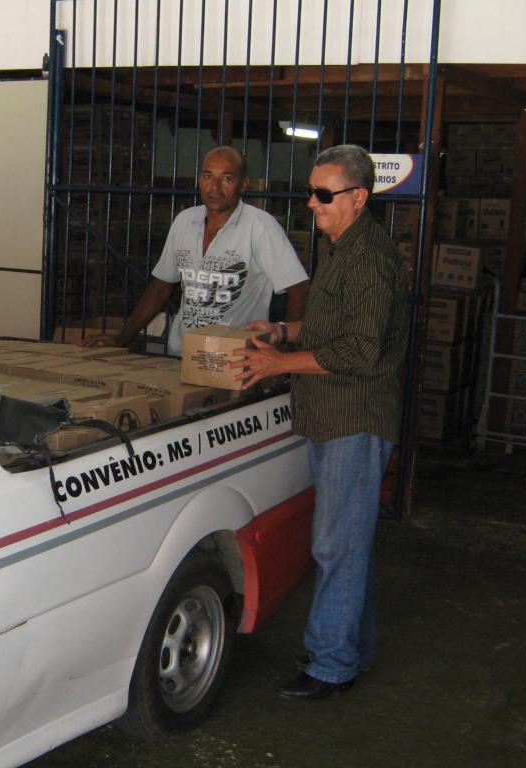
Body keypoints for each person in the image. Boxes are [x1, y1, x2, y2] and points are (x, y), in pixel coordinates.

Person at [231, 144, 411, 700]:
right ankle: (349, 649)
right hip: (332, 416)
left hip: (354, 419)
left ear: (358, 197)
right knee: (346, 542)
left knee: (338, 547)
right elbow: (333, 327)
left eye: (323, 194)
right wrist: (283, 332)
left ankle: (332, 667)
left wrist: (278, 364)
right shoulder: (341, 247)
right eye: (311, 192)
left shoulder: (370, 259)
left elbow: (359, 350)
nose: (312, 203)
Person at [82, 145, 309, 353]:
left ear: (243, 184)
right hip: (181, 353)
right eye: (208, 176)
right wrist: (122, 338)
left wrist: (282, 354)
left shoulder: (260, 227)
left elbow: (299, 289)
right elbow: (161, 287)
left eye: (226, 178)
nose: (215, 187)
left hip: (235, 358)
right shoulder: (184, 221)